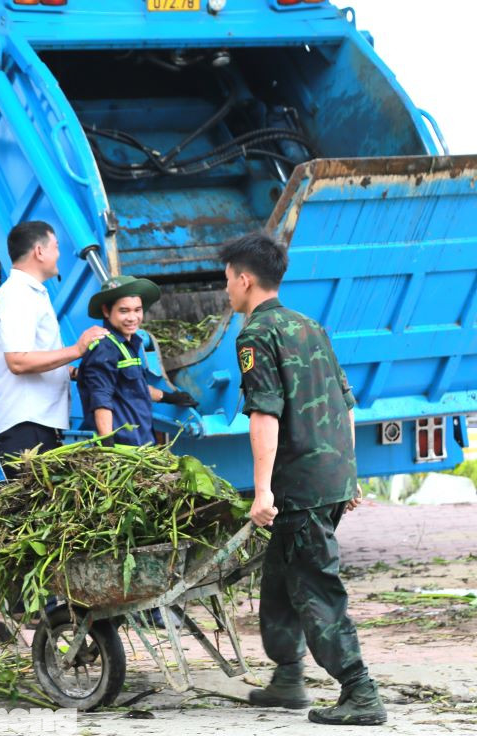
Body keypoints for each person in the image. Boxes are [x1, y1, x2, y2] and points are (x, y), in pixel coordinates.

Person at [221, 232, 384, 726]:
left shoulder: (255, 336)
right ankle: (288, 676)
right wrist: (349, 472)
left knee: (314, 586)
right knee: (280, 579)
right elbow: (345, 405)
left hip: (299, 486)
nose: (226, 289)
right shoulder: (310, 326)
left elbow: (264, 418)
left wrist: (264, 489)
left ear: (245, 280)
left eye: (227, 280)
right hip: (328, 476)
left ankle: (360, 691)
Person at [0, 221, 108, 475]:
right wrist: (77, 350)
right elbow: (18, 361)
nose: (59, 254)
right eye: (55, 246)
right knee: (32, 511)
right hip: (25, 426)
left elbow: (35, 354)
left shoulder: (31, 293)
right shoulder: (18, 295)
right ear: (39, 252)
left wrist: (75, 373)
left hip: (36, 424)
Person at [78, 275, 198, 446]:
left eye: (137, 310)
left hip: (140, 444)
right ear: (106, 311)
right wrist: (108, 444)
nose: (132, 318)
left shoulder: (130, 344)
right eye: (124, 311)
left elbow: (133, 387)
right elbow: (101, 398)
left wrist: (169, 397)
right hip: (121, 449)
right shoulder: (104, 348)